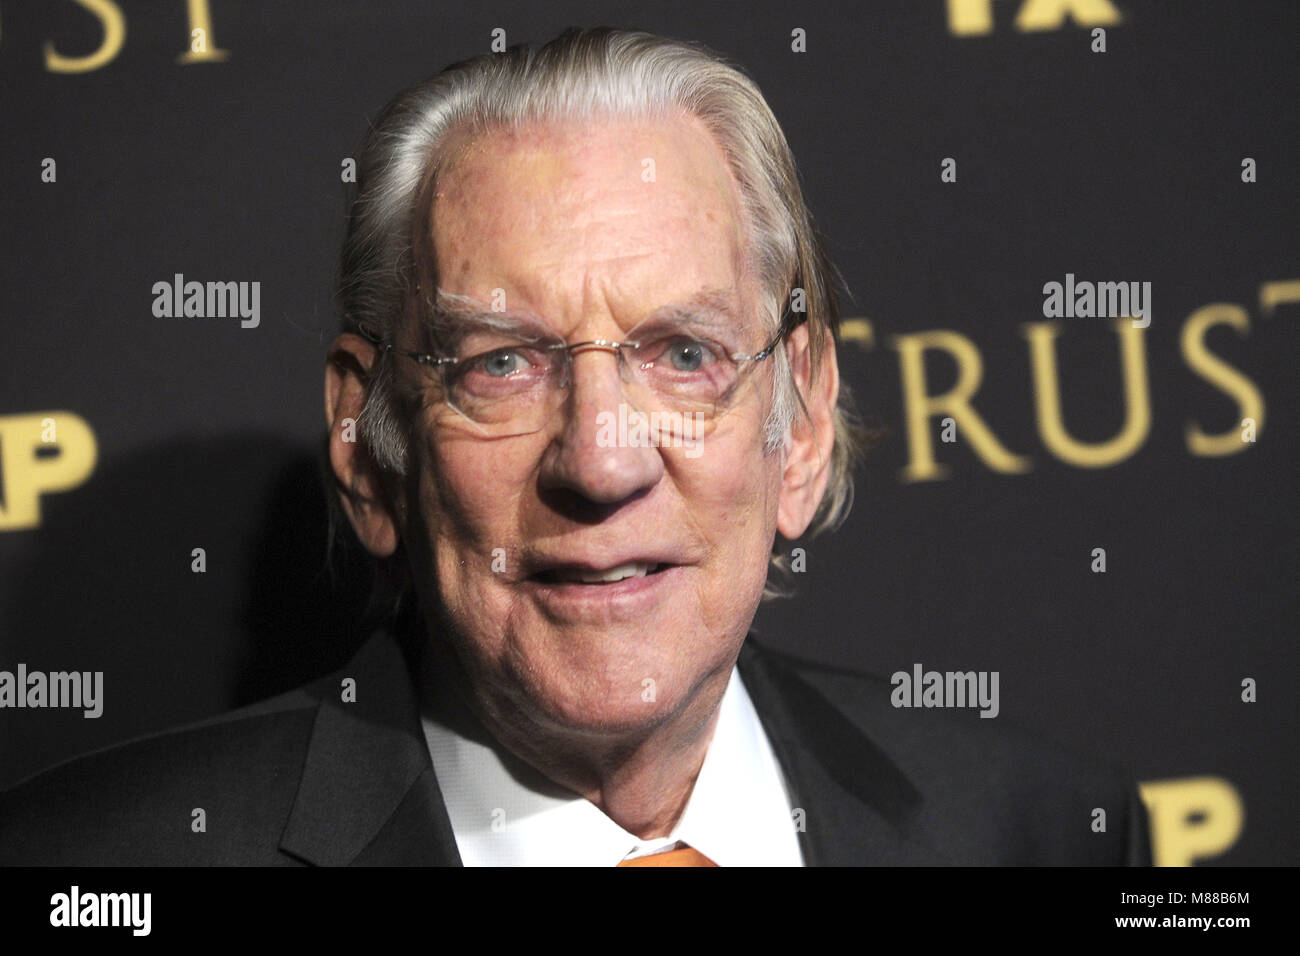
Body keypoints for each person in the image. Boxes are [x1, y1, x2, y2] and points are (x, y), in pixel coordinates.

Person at [0, 27, 1150, 866]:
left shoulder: (1043, 828)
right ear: (366, 446)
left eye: (683, 353)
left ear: (795, 427)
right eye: (503, 362)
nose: (601, 461)